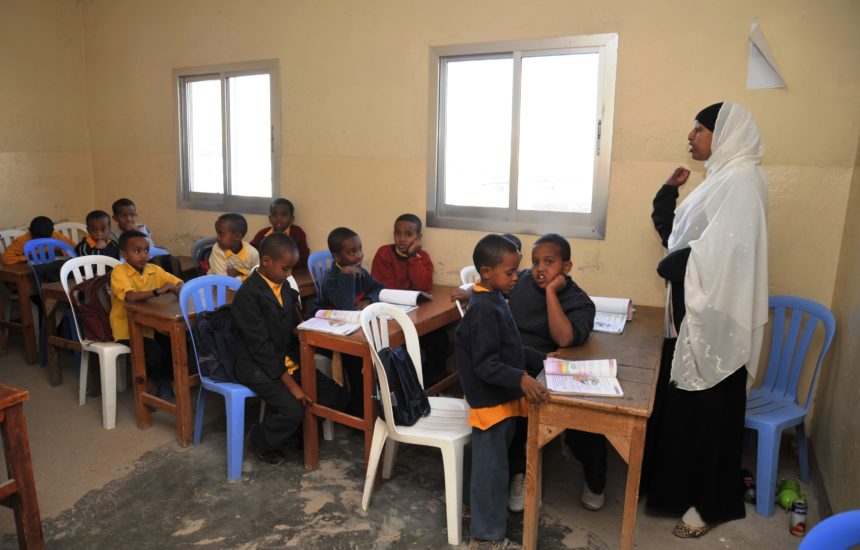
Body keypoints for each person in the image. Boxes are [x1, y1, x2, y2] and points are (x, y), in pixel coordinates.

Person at [645, 102, 768, 538]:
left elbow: (726, 254)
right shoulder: (719, 180)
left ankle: (711, 502)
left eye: (697, 129)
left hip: (716, 320)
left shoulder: (742, 181)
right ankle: (679, 490)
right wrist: (666, 192)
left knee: (712, 415)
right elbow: (680, 234)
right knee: (686, 412)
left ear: (724, 133)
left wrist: (674, 265)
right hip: (694, 315)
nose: (691, 137)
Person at [456, 234, 549, 550]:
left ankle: (476, 510)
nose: (516, 278)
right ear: (486, 272)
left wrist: (542, 359)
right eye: (510, 273)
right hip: (491, 402)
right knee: (491, 473)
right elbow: (485, 365)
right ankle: (485, 536)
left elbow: (509, 346)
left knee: (491, 464)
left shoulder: (494, 300)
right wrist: (522, 379)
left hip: (503, 398)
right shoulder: (482, 309)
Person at [232, 233, 347, 464]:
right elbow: (261, 347)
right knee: (293, 408)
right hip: (257, 364)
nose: (290, 274)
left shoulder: (284, 287)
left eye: (292, 268)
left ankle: (294, 437)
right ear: (266, 261)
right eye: (286, 268)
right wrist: (293, 385)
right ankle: (259, 439)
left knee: (334, 395)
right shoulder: (248, 295)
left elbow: (291, 325)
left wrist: (308, 328)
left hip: (285, 359)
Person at [506, 233, 600, 512]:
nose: (540, 269)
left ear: (566, 267)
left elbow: (564, 339)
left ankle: (596, 479)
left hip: (555, 364)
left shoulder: (578, 300)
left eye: (549, 262)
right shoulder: (521, 281)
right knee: (517, 408)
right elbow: (494, 285)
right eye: (536, 261)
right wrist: (469, 291)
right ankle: (518, 473)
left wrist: (550, 294)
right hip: (518, 362)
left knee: (585, 410)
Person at [371, 213, 448, 387]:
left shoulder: (422, 256)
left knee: (439, 338)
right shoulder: (384, 254)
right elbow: (386, 290)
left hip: (414, 312)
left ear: (418, 238)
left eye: (408, 234)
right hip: (390, 313)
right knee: (400, 347)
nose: (402, 239)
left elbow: (424, 284)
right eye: (398, 233)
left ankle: (430, 383)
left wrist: (413, 257)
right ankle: (406, 386)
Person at [316, 226, 384, 414]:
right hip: (330, 336)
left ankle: (374, 407)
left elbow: (379, 288)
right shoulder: (331, 280)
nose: (359, 255)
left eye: (360, 249)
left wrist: (368, 299)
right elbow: (344, 307)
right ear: (337, 258)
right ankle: (356, 411)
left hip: (353, 330)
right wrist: (346, 276)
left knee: (379, 353)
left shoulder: (361, 272)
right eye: (352, 252)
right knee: (357, 363)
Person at [110, 230, 184, 400]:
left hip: (151, 326)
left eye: (146, 250)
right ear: (123, 253)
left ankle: (166, 381)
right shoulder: (119, 272)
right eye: (137, 251)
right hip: (127, 328)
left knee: (176, 345)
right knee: (154, 355)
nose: (143, 255)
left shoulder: (153, 269)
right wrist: (158, 291)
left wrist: (177, 288)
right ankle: (150, 388)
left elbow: (178, 282)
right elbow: (130, 297)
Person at [249, 198, 310, 270]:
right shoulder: (263, 234)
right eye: (275, 215)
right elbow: (251, 253)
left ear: (291, 219)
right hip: (267, 272)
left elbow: (304, 258)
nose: (279, 218)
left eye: (283, 215)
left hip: (291, 273)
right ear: (270, 218)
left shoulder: (297, 233)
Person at [207, 213, 260, 282]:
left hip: (240, 286)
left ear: (237, 237)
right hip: (216, 284)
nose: (217, 238)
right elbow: (223, 280)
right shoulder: (217, 249)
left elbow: (257, 274)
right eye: (217, 233)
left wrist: (240, 272)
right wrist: (245, 276)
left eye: (221, 234)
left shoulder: (253, 253)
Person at [1, 216, 75, 265]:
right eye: (37, 239)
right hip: (31, 270)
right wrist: (31, 257)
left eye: (46, 240)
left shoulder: (56, 236)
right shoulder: (22, 241)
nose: (41, 244)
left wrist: (60, 251)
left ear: (52, 232)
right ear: (30, 231)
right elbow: (5, 259)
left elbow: (73, 248)